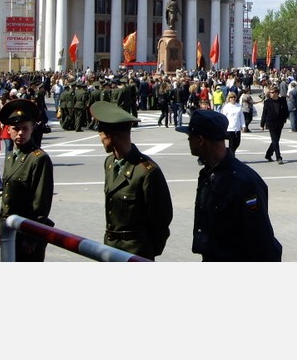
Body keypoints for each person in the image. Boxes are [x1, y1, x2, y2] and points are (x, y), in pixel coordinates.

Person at [180, 110, 282, 261]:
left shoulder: (243, 182)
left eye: (190, 137)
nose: (188, 140)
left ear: (201, 140)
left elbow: (261, 242)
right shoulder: (208, 173)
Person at [90, 100, 173, 260]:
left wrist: (149, 250)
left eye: (101, 133)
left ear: (111, 136)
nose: (100, 138)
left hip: (136, 251)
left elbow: (161, 218)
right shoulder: (109, 163)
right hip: (110, 247)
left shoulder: (146, 171)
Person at [0, 99, 54, 261]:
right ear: (8, 130)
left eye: (25, 128)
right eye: (16, 129)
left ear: (32, 129)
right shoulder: (11, 157)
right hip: (9, 230)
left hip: (27, 234)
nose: (20, 133)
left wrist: (33, 237)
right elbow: (7, 200)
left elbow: (41, 205)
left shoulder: (38, 159)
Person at [260, 84, 290, 164]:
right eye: (271, 92)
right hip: (271, 123)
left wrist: (284, 119)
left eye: (273, 92)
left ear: (277, 93)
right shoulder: (267, 102)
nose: (272, 94)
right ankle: (279, 157)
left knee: (276, 140)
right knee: (275, 141)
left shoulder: (282, 101)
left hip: (280, 123)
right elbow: (264, 113)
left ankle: (268, 154)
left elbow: (286, 111)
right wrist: (262, 124)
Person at [220, 89, 245, 155]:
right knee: (232, 143)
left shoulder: (238, 106)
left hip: (237, 127)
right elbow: (223, 117)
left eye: (234, 97)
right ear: (229, 98)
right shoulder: (226, 107)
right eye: (231, 97)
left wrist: (243, 125)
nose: (233, 98)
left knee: (237, 142)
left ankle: (230, 153)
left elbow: (241, 116)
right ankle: (231, 156)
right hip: (229, 128)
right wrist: (223, 126)